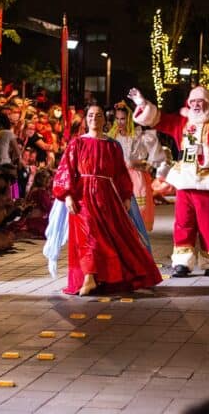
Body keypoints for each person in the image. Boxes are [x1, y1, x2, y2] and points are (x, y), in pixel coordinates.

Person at [50, 104, 162, 295]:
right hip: (82, 197)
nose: (94, 118)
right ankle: (89, 277)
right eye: (90, 115)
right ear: (86, 119)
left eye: (98, 115)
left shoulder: (112, 145)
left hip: (107, 197)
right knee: (87, 236)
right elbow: (66, 170)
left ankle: (103, 277)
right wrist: (67, 195)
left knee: (110, 237)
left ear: (104, 120)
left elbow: (120, 173)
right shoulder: (77, 144)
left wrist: (126, 196)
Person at [130, 86, 209, 277]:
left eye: (200, 101)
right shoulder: (182, 121)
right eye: (193, 101)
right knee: (183, 223)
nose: (196, 105)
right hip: (185, 180)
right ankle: (182, 262)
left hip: (207, 182)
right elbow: (159, 119)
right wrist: (142, 104)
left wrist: (204, 151)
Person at [108, 101, 163, 231]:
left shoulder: (140, 136)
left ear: (129, 119)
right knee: (119, 210)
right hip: (118, 177)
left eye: (123, 119)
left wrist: (143, 165)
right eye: (117, 119)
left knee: (138, 210)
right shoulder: (112, 137)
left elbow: (156, 155)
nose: (120, 122)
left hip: (136, 177)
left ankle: (138, 236)